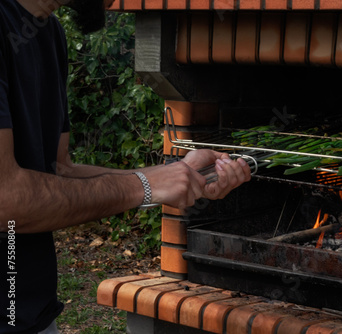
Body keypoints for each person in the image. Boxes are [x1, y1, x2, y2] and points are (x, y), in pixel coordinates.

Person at [0, 0, 252, 332]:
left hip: (31, 314)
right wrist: (145, 186)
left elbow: (59, 170)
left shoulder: (49, 33)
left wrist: (178, 175)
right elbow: (6, 200)